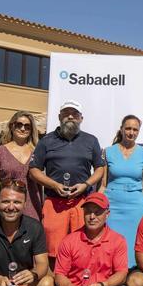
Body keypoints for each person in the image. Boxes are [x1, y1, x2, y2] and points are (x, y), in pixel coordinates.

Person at [47, 192, 131, 286]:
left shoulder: (118, 240)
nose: (92, 216)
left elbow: (122, 274)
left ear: (107, 214)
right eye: (88, 212)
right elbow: (59, 274)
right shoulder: (69, 240)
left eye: (98, 212)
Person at [29, 100, 105, 266]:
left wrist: (86, 184)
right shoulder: (46, 141)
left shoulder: (91, 140)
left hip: (82, 203)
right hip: (54, 202)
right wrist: (54, 185)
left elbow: (100, 168)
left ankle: (77, 284)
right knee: (52, 249)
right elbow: (34, 170)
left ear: (81, 118)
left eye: (75, 114)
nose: (70, 116)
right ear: (59, 117)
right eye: (66, 113)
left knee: (82, 246)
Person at [101, 114, 143, 265]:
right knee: (109, 241)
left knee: (133, 242)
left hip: (135, 207)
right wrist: (98, 206)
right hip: (113, 205)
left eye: (135, 129)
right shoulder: (107, 151)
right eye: (128, 128)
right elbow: (103, 184)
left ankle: (132, 274)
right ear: (121, 129)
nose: (131, 132)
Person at [0, 111, 42, 221]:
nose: (23, 129)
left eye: (27, 126)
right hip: (8, 206)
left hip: (32, 206)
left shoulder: (37, 152)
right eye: (19, 124)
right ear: (12, 126)